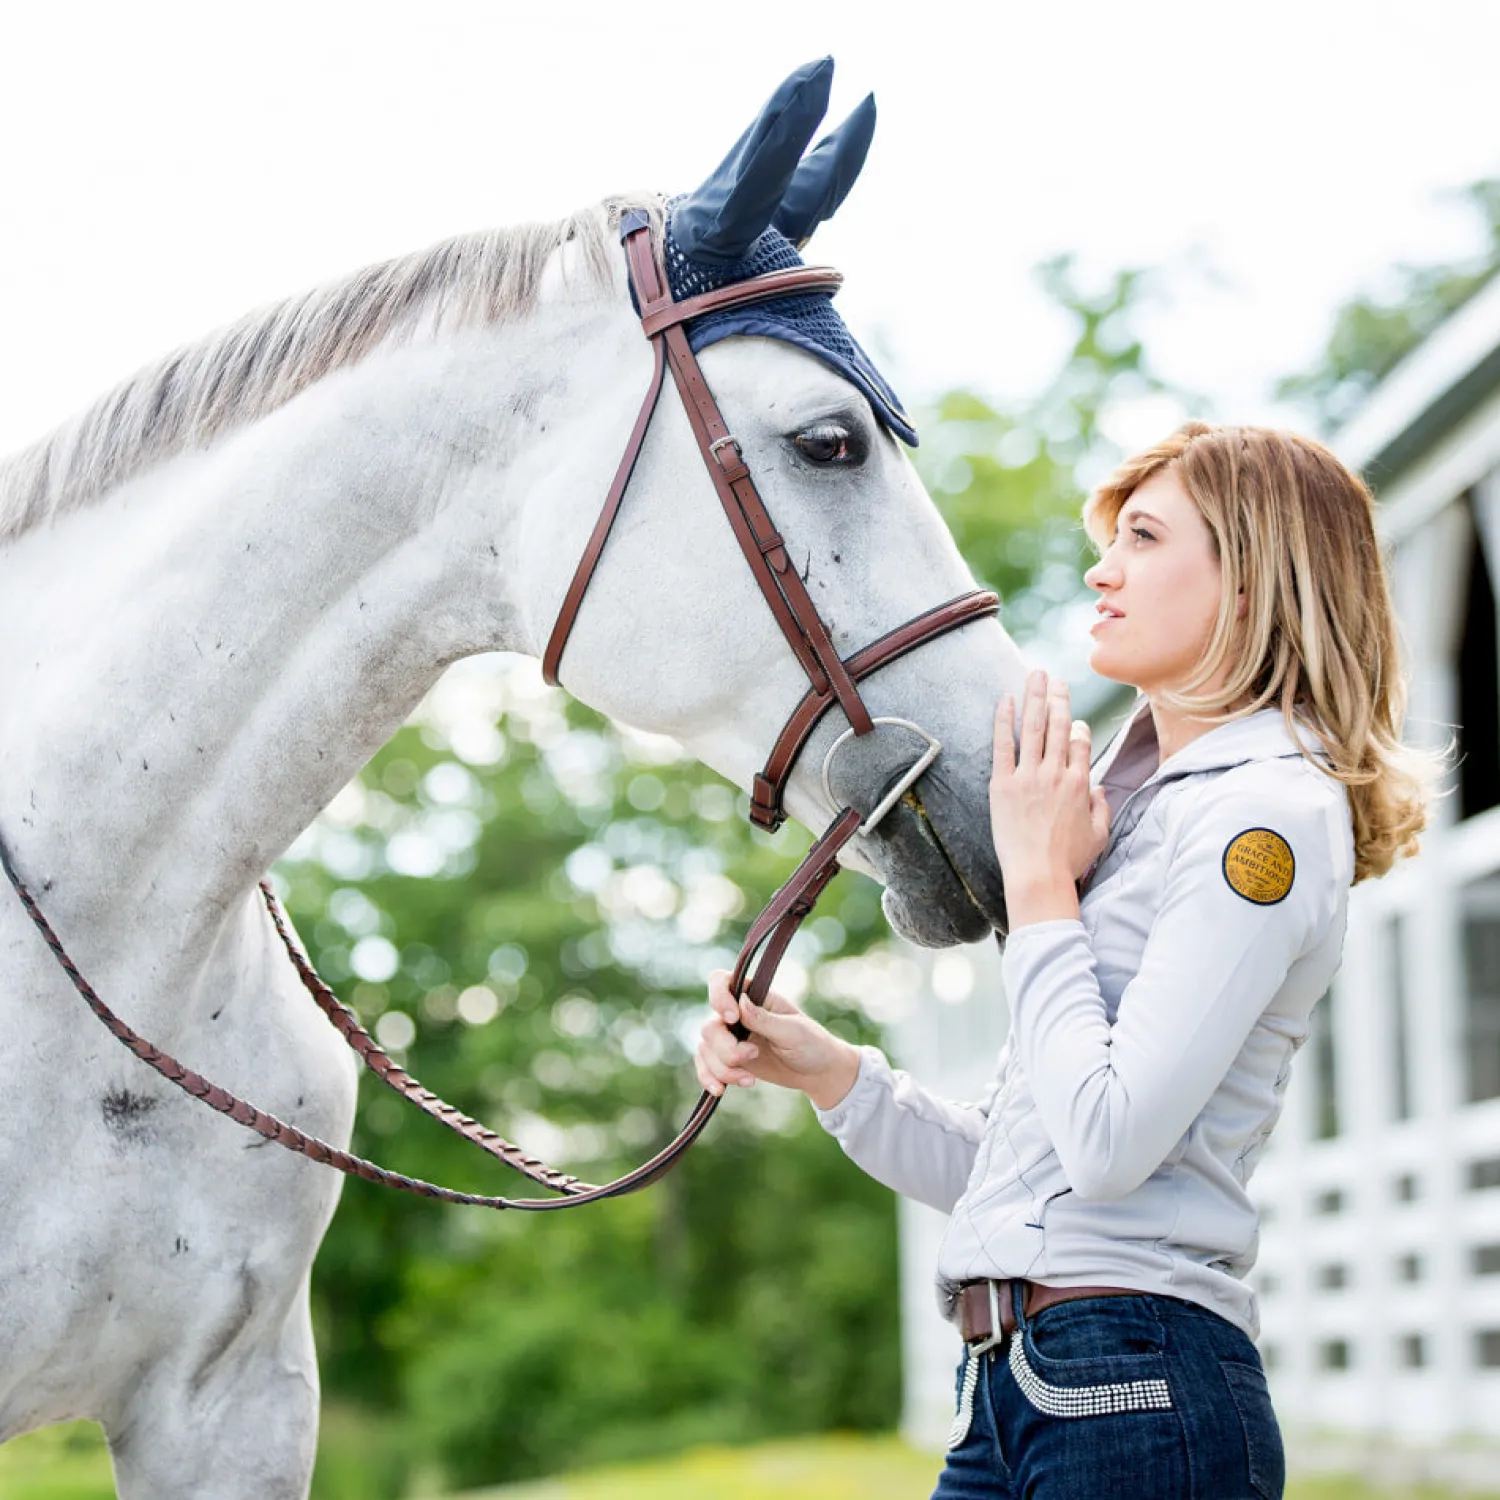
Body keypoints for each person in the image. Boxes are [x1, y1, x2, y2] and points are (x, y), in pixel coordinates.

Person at [695, 423, 1434, 1499]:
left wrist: (1041, 884)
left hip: (1136, 1391)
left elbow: (1108, 1143)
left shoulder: (1258, 818)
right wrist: (829, 1073)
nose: (1103, 567)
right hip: (1015, 1388)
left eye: (1142, 536)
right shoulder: (1140, 818)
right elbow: (1017, 1183)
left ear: (1248, 581)